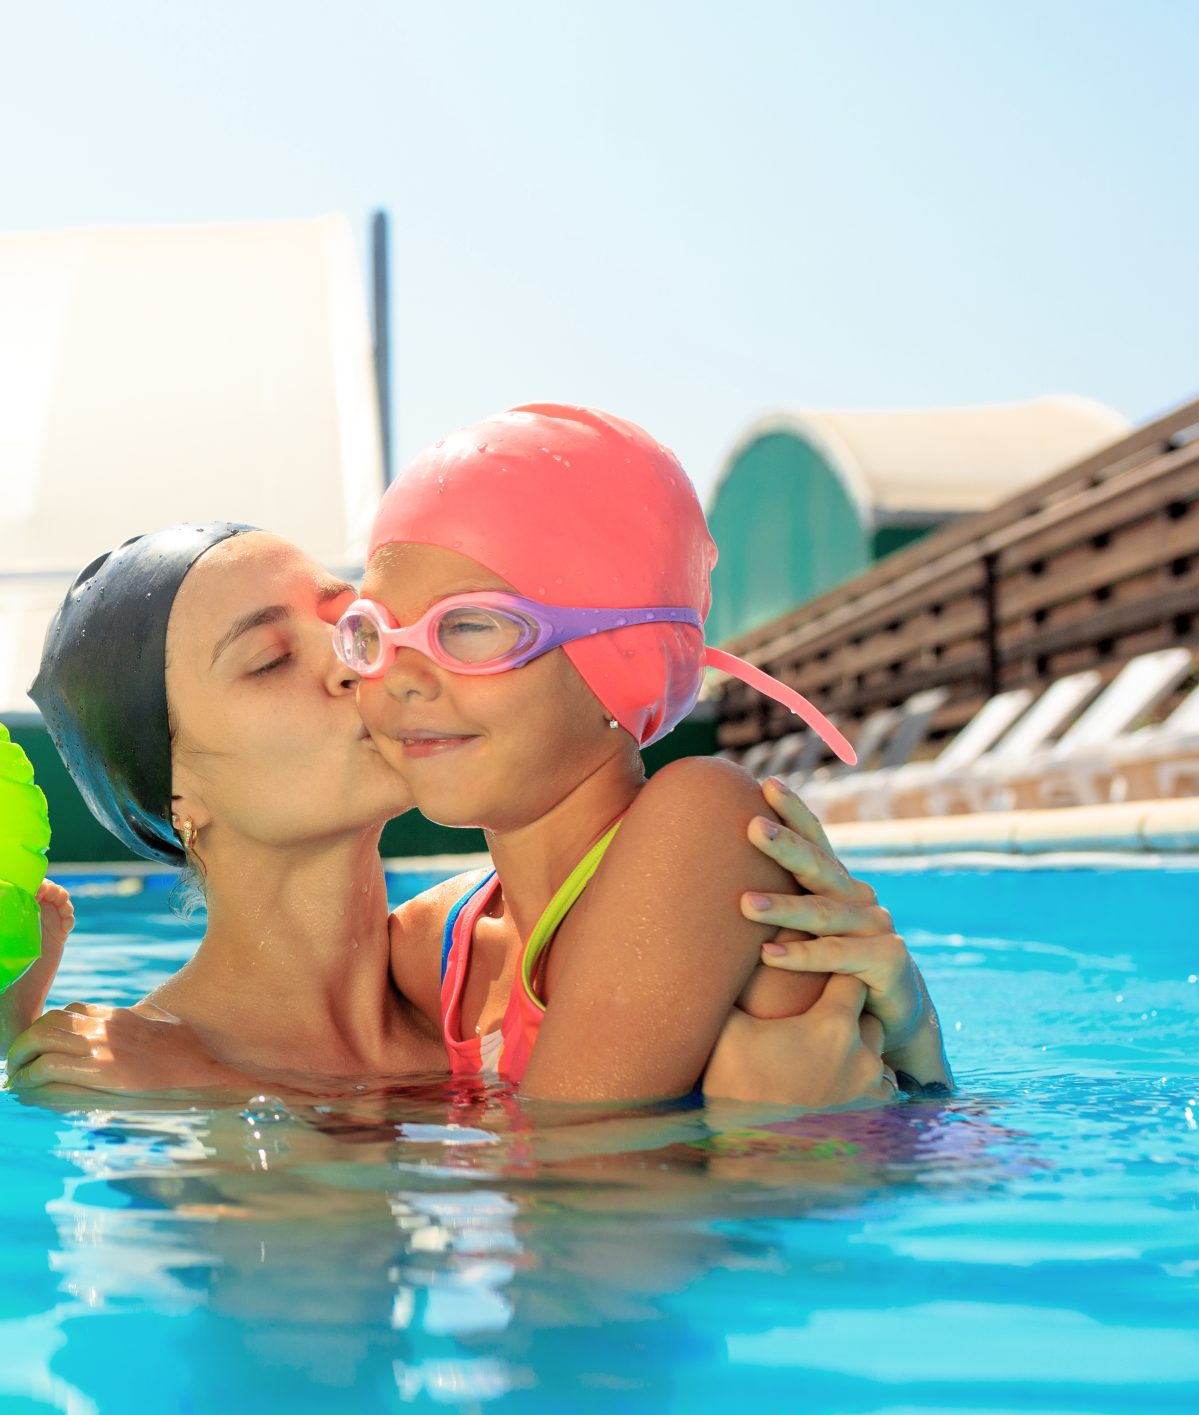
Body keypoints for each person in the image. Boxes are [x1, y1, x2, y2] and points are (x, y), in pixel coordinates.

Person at [11, 521, 946, 1103]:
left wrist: (917, 1057)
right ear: (178, 796)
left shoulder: (490, 960)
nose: (353, 663)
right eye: (267, 661)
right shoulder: (122, 1071)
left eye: (347, 622)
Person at [351, 403, 957, 1096]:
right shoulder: (441, 946)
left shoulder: (705, 822)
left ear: (623, 655)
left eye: (468, 626)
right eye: (373, 632)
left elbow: (579, 1178)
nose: (399, 677)